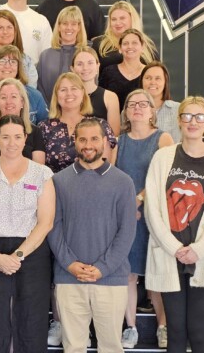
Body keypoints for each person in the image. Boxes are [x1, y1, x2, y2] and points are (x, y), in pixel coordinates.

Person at [144, 96, 204, 353]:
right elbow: (152, 208)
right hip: (169, 253)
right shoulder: (163, 157)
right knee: (175, 329)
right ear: (179, 120)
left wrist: (199, 248)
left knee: (197, 329)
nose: (192, 122)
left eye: (199, 117)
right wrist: (174, 247)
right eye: (187, 116)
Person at [0, 114, 56, 353]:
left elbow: (45, 222)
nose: (11, 143)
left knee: (32, 316)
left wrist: (17, 255)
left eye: (17, 137)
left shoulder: (42, 174)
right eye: (5, 137)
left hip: (32, 251)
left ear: (26, 139)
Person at [48, 117, 136, 353]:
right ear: (74, 142)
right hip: (69, 278)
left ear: (105, 141)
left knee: (111, 347)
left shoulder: (123, 182)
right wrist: (70, 264)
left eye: (95, 139)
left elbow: (127, 231)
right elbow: (53, 228)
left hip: (111, 279)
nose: (89, 145)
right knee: (73, 347)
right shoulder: (58, 181)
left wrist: (103, 268)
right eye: (83, 139)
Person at [114, 90, 174, 349]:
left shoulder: (163, 139)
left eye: (143, 104)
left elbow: (168, 179)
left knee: (157, 274)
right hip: (127, 216)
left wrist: (139, 199)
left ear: (152, 111)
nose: (137, 108)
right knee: (128, 274)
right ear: (126, 111)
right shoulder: (119, 142)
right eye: (132, 104)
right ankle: (131, 328)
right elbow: (112, 178)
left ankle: (163, 327)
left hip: (155, 216)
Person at [38, 72, 116, 174]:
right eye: (63, 90)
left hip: (91, 186)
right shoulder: (43, 128)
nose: (69, 93)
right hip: (53, 187)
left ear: (83, 93)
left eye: (74, 88)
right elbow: (39, 170)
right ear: (56, 95)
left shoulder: (100, 125)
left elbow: (104, 169)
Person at [0, 78, 46, 165]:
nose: (8, 102)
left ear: (22, 102)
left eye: (13, 96)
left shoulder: (35, 132)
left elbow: (39, 171)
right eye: (3, 97)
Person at [0, 45, 48, 124]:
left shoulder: (35, 96)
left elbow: (44, 129)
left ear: (19, 67)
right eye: (2, 61)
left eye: (13, 61)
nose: (7, 66)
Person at [37, 6, 88, 103]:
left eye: (73, 24)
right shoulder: (45, 55)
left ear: (79, 27)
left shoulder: (86, 54)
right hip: (50, 113)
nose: (69, 28)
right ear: (59, 27)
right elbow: (40, 87)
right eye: (65, 23)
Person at [92, 1, 157, 75]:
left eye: (122, 18)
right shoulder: (99, 43)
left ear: (132, 19)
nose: (118, 23)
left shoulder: (147, 44)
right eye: (114, 19)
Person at [70, 46, 120, 135]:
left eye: (90, 63)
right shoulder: (67, 97)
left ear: (98, 66)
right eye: (79, 64)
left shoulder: (110, 97)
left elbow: (114, 135)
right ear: (72, 69)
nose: (85, 68)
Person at [99, 28, 150, 110]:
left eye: (134, 43)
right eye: (125, 43)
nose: (130, 47)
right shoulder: (108, 72)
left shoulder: (149, 72)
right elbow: (101, 101)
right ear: (120, 48)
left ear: (142, 47)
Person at [141, 61, 181, 143]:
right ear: (141, 81)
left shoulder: (178, 109)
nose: (152, 82)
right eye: (148, 78)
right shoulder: (130, 110)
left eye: (157, 78)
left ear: (165, 82)